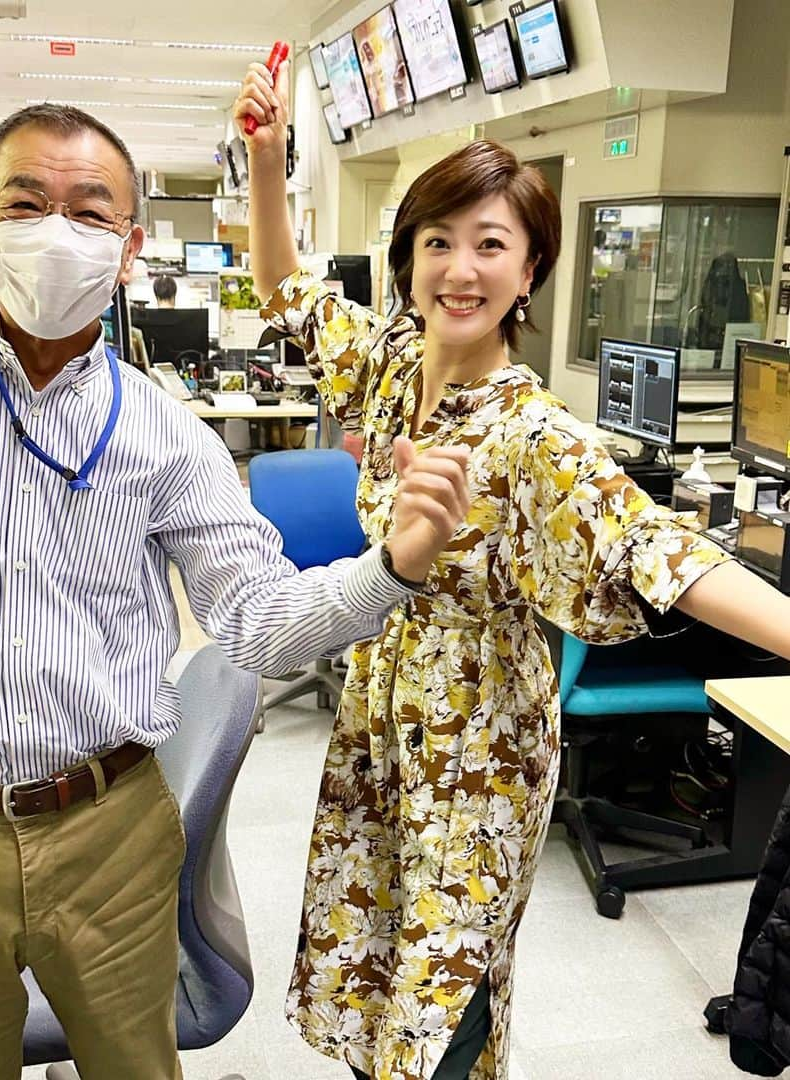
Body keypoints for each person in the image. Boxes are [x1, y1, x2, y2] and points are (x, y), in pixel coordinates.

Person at [0, 22, 475, 1080]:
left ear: (129, 249)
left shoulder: (167, 435)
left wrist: (392, 565)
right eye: (25, 206)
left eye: (89, 213)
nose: (54, 234)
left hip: (110, 836)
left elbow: (256, 617)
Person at [237, 55, 790, 1080]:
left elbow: (658, 547)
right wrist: (268, 162)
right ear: (408, 258)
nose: (459, 266)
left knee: (442, 1000)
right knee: (373, 967)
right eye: (437, 241)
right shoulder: (394, 361)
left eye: (490, 245)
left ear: (530, 269)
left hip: (478, 749)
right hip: (380, 716)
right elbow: (286, 291)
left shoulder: (536, 433)